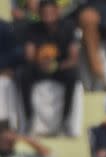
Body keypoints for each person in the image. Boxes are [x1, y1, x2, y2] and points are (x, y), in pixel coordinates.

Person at [16, 0, 79, 135]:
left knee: (72, 75)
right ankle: (29, 119)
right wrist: (40, 62)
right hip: (39, 67)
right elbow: (29, 55)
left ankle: (65, 120)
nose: (48, 16)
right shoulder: (33, 28)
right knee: (23, 74)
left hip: (60, 68)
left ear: (57, 12)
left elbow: (73, 57)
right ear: (39, 14)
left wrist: (59, 65)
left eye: (51, 12)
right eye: (44, 13)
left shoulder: (68, 27)